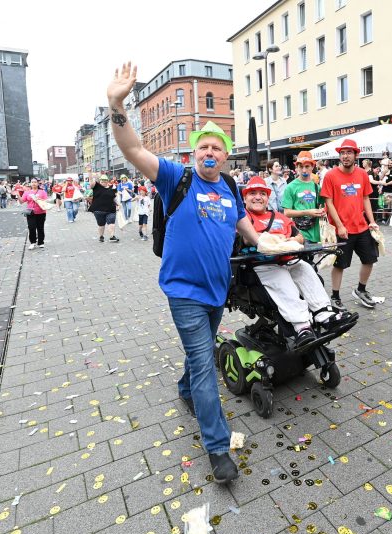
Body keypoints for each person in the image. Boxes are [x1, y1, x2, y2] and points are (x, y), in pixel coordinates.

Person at [107, 61, 259, 483]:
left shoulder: (230, 187)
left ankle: (186, 388)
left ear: (227, 156)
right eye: (203, 148)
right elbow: (133, 150)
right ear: (194, 154)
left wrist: (272, 244)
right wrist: (116, 104)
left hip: (217, 290)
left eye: (218, 148)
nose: (210, 153)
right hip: (184, 291)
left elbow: (245, 226)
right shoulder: (177, 177)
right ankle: (216, 446)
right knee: (204, 358)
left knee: (201, 351)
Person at [243, 176, 353, 347]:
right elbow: (246, 239)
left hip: (288, 258)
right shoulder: (243, 217)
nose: (258, 197)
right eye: (253, 193)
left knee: (305, 269)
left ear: (267, 197)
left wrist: (291, 242)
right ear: (244, 197)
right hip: (263, 263)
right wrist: (276, 240)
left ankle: (325, 315)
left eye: (262, 193)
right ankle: (302, 326)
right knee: (282, 279)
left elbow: (300, 236)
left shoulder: (278, 216)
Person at [319, 139, 380, 310]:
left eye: (349, 152)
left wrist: (372, 221)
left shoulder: (362, 174)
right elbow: (329, 203)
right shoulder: (330, 175)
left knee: (369, 260)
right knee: (340, 264)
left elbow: (366, 198)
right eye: (342, 153)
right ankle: (335, 296)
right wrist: (339, 225)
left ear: (356, 155)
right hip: (341, 229)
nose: (345, 156)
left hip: (361, 227)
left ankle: (361, 290)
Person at [282, 151, 324, 245]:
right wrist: (307, 212)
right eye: (301, 167)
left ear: (312, 167)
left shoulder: (317, 187)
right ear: (296, 167)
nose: (304, 170)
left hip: (316, 234)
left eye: (307, 166)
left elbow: (324, 207)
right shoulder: (290, 187)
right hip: (299, 235)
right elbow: (286, 213)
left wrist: (322, 211)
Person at [89, 174, 120, 243]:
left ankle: (112, 236)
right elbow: (91, 181)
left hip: (110, 209)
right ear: (100, 181)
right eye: (102, 181)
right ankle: (101, 236)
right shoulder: (96, 187)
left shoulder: (112, 188)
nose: (103, 182)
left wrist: (118, 204)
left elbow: (114, 198)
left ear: (107, 181)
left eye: (105, 181)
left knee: (111, 223)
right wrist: (89, 172)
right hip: (98, 210)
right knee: (101, 225)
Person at [20, 179, 48, 249]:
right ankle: (33, 242)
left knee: (40, 227)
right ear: (30, 184)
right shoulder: (27, 192)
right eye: (32, 182)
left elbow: (46, 200)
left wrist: (38, 199)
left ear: (38, 184)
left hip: (41, 212)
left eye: (35, 182)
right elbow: (21, 202)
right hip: (30, 212)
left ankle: (41, 242)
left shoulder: (42, 192)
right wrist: (18, 195)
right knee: (31, 227)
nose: (33, 184)